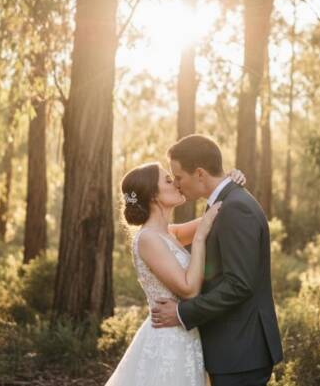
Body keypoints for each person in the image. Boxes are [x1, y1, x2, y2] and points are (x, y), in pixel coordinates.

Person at [152, 134, 283, 386]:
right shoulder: (223, 204)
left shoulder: (235, 208)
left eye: (179, 177)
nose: (177, 185)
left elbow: (239, 284)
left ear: (200, 173)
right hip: (233, 350)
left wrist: (181, 313)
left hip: (241, 351)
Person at [104, 159, 246, 386]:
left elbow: (218, 212)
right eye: (169, 180)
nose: (176, 184)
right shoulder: (148, 238)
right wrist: (199, 239)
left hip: (185, 335)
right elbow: (189, 290)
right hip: (167, 341)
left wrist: (228, 182)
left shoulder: (169, 233)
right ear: (153, 195)